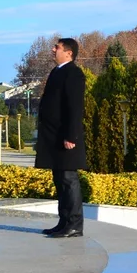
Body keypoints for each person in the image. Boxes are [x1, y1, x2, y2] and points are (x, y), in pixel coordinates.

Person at [34, 37, 86, 238]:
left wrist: (71, 135)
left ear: (69, 53)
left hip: (65, 137)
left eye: (57, 47)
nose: (53, 49)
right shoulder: (57, 71)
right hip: (53, 137)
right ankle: (64, 221)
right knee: (59, 179)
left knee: (68, 179)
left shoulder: (73, 73)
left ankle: (74, 224)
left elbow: (74, 107)